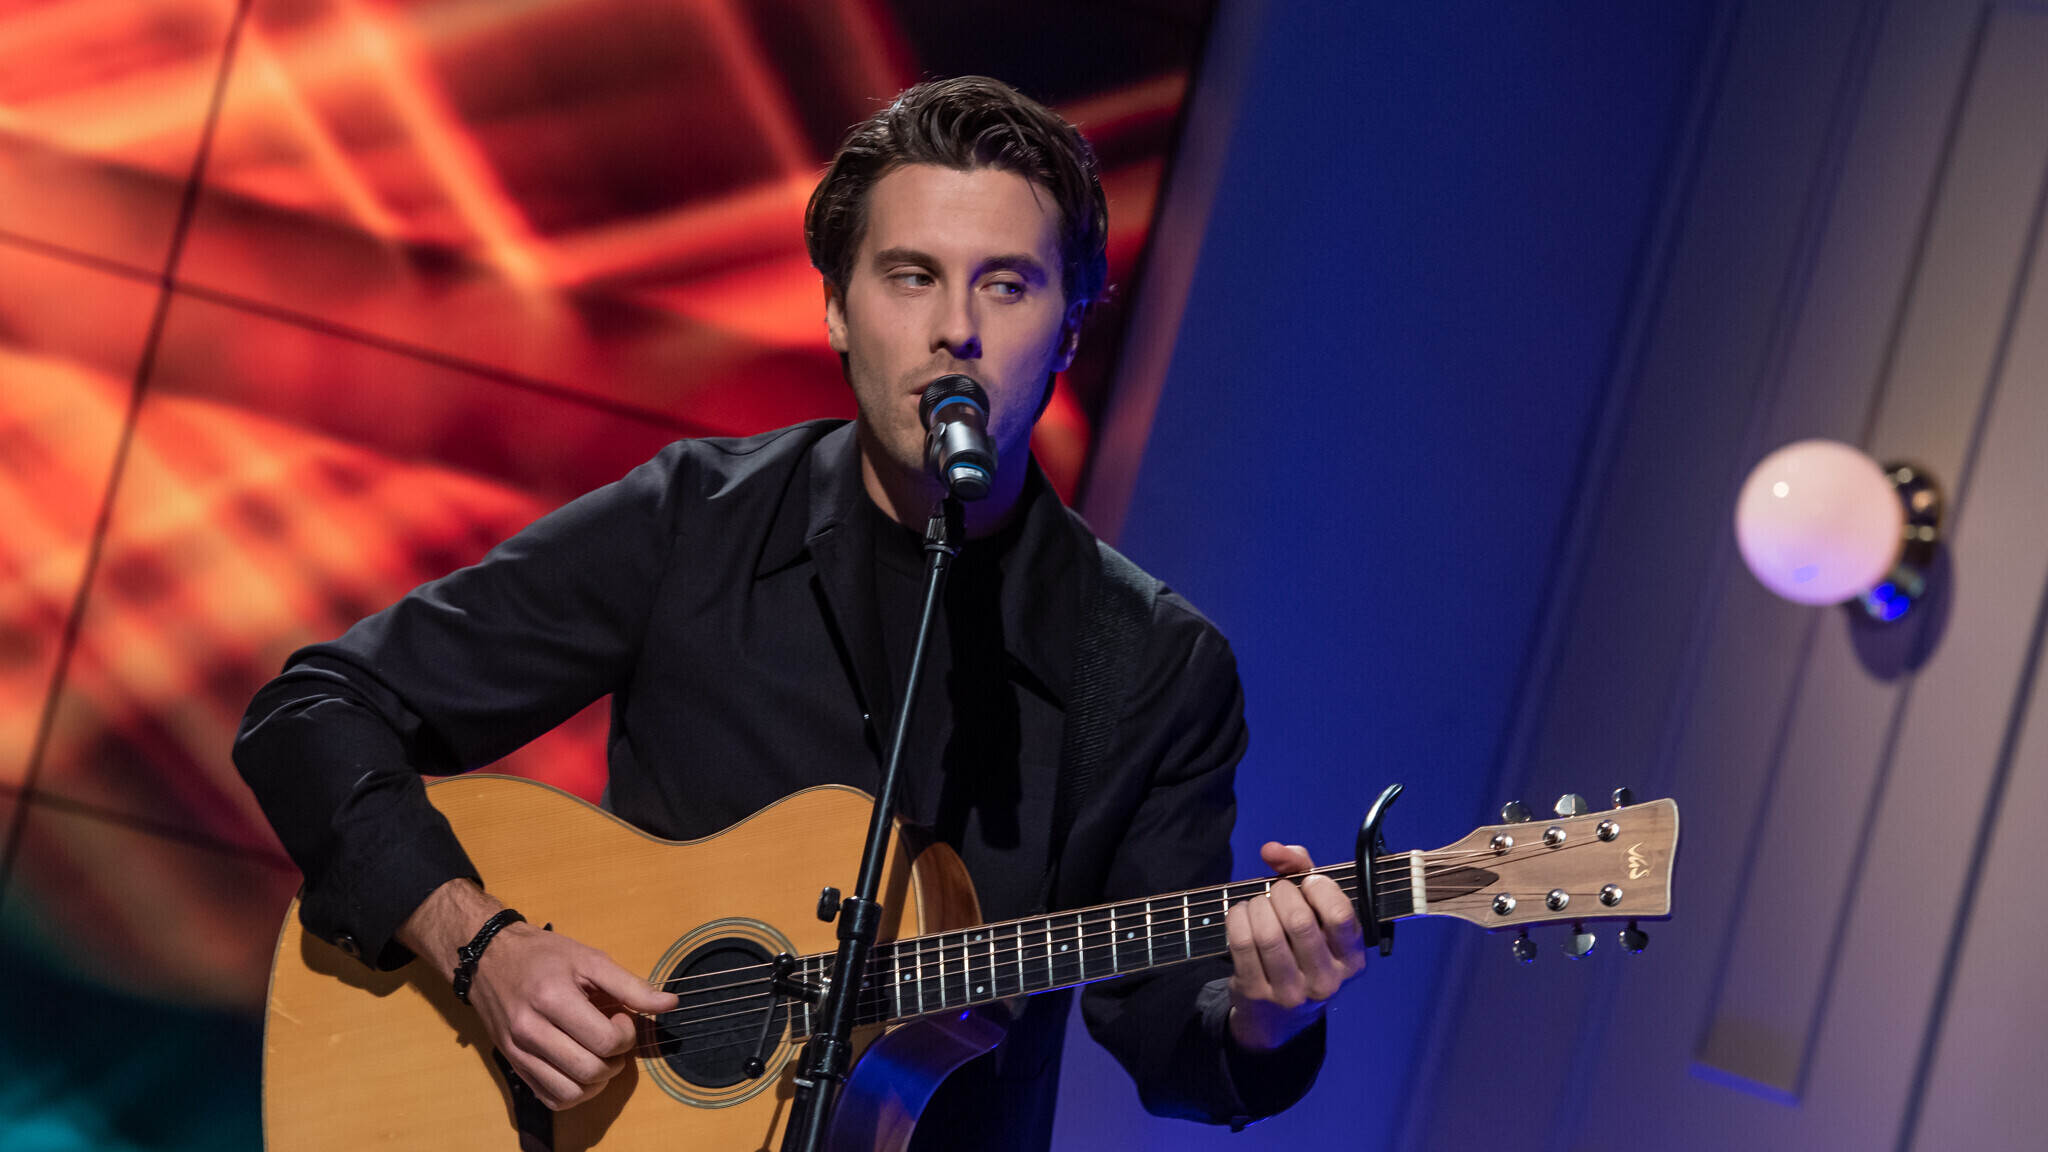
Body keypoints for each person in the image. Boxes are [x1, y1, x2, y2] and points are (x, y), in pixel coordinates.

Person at [234, 76, 1365, 1150]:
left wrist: (1267, 1013)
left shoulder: (1155, 665)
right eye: (910, 276)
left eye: (1007, 285)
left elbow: (1169, 1029)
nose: (955, 330)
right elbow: (312, 715)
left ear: (1069, 329)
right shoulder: (694, 521)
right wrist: (481, 948)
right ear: (835, 309)